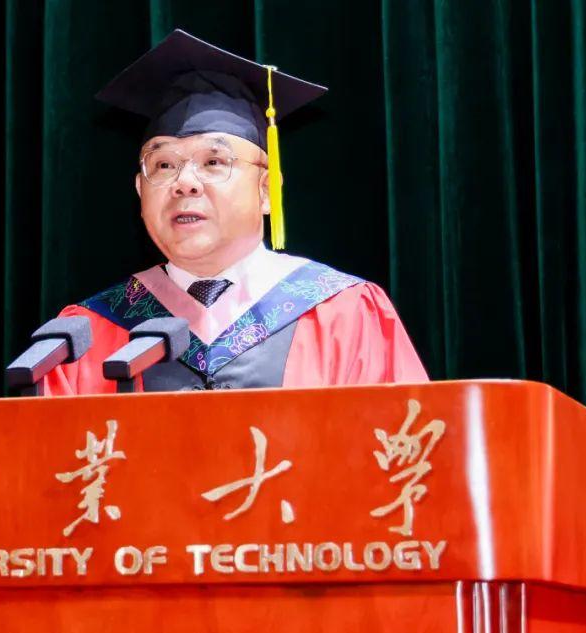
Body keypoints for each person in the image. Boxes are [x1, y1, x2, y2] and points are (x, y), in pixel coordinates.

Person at [43, 30, 427, 395]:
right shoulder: (85, 334)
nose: (184, 182)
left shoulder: (344, 313)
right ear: (140, 191)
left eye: (213, 162)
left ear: (266, 191)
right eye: (163, 165)